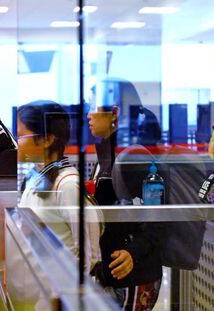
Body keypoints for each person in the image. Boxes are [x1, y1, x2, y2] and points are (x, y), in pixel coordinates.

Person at [88, 78, 162, 310]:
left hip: (133, 275)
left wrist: (133, 253)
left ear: (114, 113)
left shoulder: (133, 156)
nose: (88, 115)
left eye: (93, 107)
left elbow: (158, 217)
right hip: (113, 271)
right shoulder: (108, 152)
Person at [18, 100, 102, 272]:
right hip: (38, 286)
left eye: (21, 136)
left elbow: (89, 255)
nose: (16, 142)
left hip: (59, 291)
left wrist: (68, 294)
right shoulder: (36, 176)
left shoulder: (67, 185)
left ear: (47, 139)